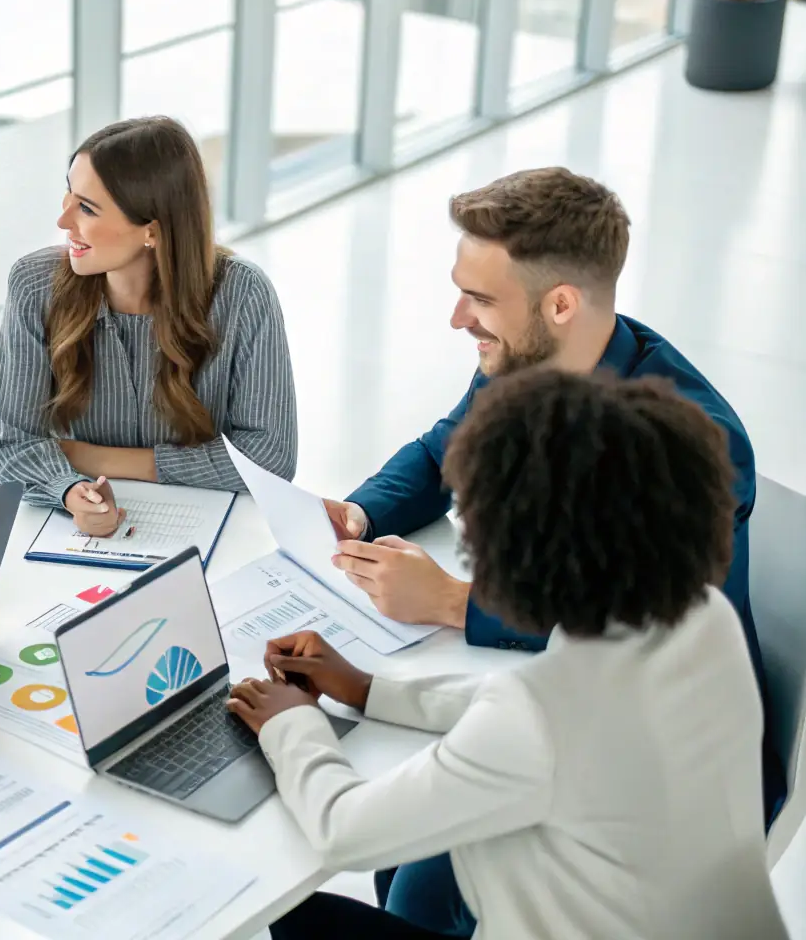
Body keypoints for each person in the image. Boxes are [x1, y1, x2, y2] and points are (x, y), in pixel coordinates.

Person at [229, 370, 787, 940]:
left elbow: (341, 831)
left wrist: (292, 723)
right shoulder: (702, 618)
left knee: (292, 914)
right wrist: (369, 689)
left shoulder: (537, 718)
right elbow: (543, 709)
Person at [322, 168, 785, 845]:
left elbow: (635, 634)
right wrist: (359, 515)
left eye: (476, 298)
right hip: (540, 704)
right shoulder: (522, 358)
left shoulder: (690, 446)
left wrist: (453, 600)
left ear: (559, 304)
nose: (456, 319)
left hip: (665, 766)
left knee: (422, 839)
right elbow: (437, 455)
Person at [0, 116, 296, 535]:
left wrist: (94, 459)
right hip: (80, 531)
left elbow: (269, 459)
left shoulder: (243, 293)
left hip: (214, 528)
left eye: (87, 208)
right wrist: (71, 490)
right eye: (69, 195)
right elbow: (10, 442)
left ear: (152, 230)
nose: (64, 222)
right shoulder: (34, 285)